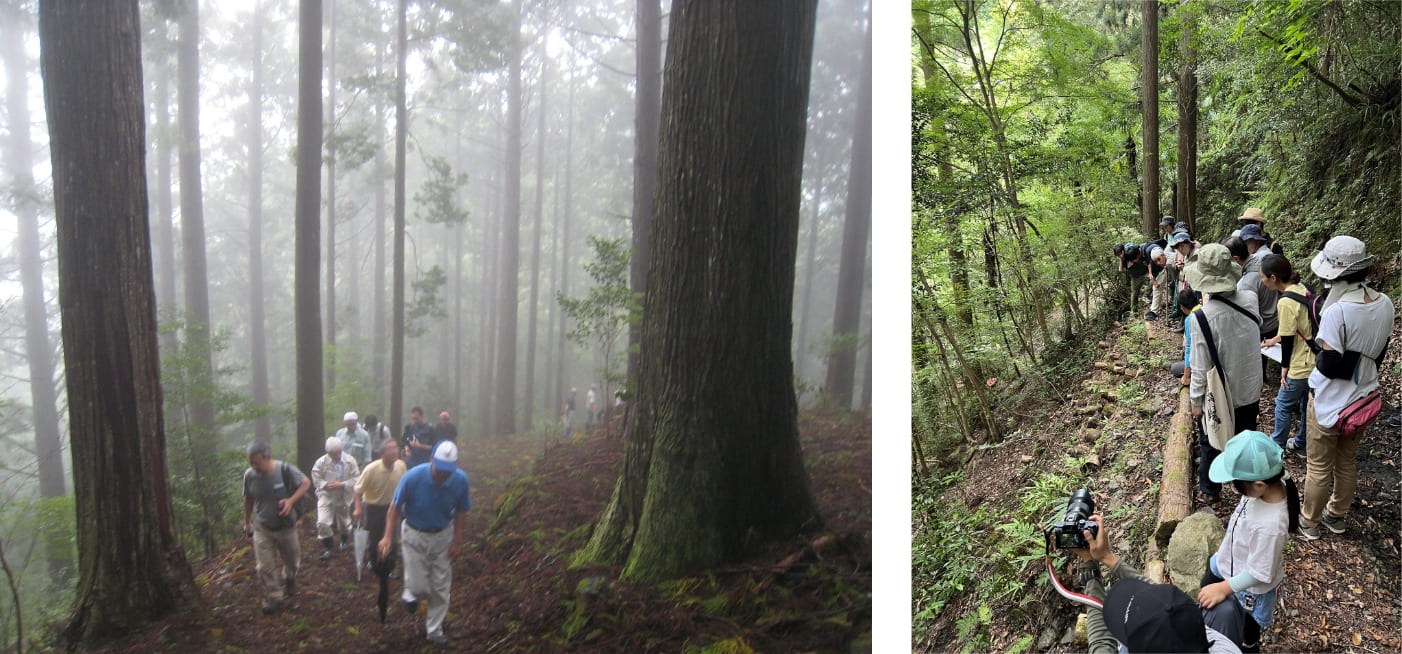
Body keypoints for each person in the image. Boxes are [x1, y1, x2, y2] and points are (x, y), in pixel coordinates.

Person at [1298, 236, 1393, 540]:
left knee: (1319, 466)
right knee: (1347, 461)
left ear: (1333, 273)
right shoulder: (1385, 303)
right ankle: (1336, 516)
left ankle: (1309, 522)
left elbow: (1328, 366)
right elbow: (1379, 353)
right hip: (1363, 400)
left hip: (1329, 402)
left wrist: (1316, 346)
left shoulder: (1336, 311)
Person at [1070, 515, 1244, 653]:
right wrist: (1108, 558)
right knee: (1224, 610)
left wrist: (1089, 564)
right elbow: (1164, 603)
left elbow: (1101, 644)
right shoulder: (1223, 648)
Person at [1197, 430, 1298, 652]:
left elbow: (1260, 572)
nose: (1235, 488)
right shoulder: (1261, 489)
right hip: (1226, 563)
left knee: (1245, 632)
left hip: (1251, 590)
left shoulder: (1271, 526)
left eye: (1236, 484)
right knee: (1204, 594)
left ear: (1259, 484)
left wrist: (1224, 588)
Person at [1186, 244, 1262, 505]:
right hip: (1250, 387)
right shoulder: (1250, 299)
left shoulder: (1202, 318)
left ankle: (1210, 489)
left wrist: (1196, 401)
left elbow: (1199, 367)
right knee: (1245, 435)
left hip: (1221, 395)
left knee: (1212, 440)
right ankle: (1244, 487)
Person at [380, 441, 472, 645]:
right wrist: (387, 536)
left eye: (448, 471)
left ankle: (434, 629)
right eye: (440, 469)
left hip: (442, 535)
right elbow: (394, 508)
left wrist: (457, 541)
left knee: (440, 585)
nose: (443, 475)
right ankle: (411, 591)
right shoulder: (413, 477)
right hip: (414, 533)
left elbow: (462, 511)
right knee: (420, 585)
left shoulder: (460, 480)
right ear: (431, 460)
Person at [243, 440, 312, 614]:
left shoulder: (285, 470)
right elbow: (248, 499)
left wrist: (290, 501)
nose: (254, 466)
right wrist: (247, 522)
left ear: (268, 457)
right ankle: (275, 597)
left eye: (257, 463)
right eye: (251, 463)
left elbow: (306, 483)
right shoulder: (249, 476)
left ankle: (289, 577)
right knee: (264, 566)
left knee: (292, 561)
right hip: (262, 527)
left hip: (286, 526)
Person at [1258, 255, 1314, 453]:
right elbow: (1299, 326)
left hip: (1300, 364)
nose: (1262, 281)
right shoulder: (1303, 288)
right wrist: (1273, 340)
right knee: (1307, 405)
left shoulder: (1285, 301)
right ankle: (1302, 444)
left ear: (1273, 278)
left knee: (1283, 404)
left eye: (1263, 277)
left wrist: (1284, 368)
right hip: (1315, 358)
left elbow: (1289, 339)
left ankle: (1277, 446)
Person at [355, 438, 407, 577]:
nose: (394, 451)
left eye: (395, 448)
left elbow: (405, 486)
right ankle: (373, 561)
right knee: (375, 537)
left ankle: (390, 566)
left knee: (393, 537)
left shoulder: (401, 466)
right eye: (390, 449)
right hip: (374, 507)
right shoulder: (371, 469)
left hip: (394, 507)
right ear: (382, 453)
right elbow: (358, 490)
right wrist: (358, 508)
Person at [312, 436, 360, 560]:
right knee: (322, 522)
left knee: (344, 523)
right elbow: (316, 479)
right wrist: (326, 485)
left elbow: (357, 479)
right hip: (326, 495)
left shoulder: (350, 461)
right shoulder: (321, 463)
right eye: (333, 454)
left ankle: (344, 541)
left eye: (338, 453)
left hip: (344, 495)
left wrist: (343, 484)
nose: (336, 456)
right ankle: (329, 548)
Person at [1235, 225, 1278, 341]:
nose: (1244, 246)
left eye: (1246, 242)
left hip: (1266, 321)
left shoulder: (1260, 259)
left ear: (1256, 241)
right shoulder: (1266, 254)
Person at [1169, 286, 1202, 385]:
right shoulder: (1202, 307)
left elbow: (1189, 348)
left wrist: (1186, 376)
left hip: (1201, 360)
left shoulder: (1190, 319)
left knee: (1175, 369)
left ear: (1182, 307)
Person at [1167, 232, 1197, 332]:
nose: (1180, 250)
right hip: (1186, 281)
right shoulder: (1186, 255)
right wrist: (1178, 266)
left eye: (1182, 246)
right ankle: (1185, 324)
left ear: (1189, 243)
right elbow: (1175, 264)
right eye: (1178, 248)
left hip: (1196, 285)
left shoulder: (1197, 254)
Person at [1118, 242, 1149, 315]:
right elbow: (1121, 269)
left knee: (1152, 283)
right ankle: (1134, 312)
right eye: (1118, 254)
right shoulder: (1123, 258)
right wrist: (1121, 259)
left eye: (1120, 253)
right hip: (1135, 276)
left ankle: (1146, 295)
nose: (1120, 255)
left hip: (1145, 272)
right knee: (1134, 293)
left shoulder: (1132, 251)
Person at [1147, 245, 1169, 320]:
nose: (1158, 263)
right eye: (1156, 261)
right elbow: (1152, 274)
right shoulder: (1153, 264)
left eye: (1159, 259)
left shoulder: (1170, 255)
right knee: (1156, 288)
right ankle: (1153, 311)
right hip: (1162, 271)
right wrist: (1155, 282)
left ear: (1163, 255)